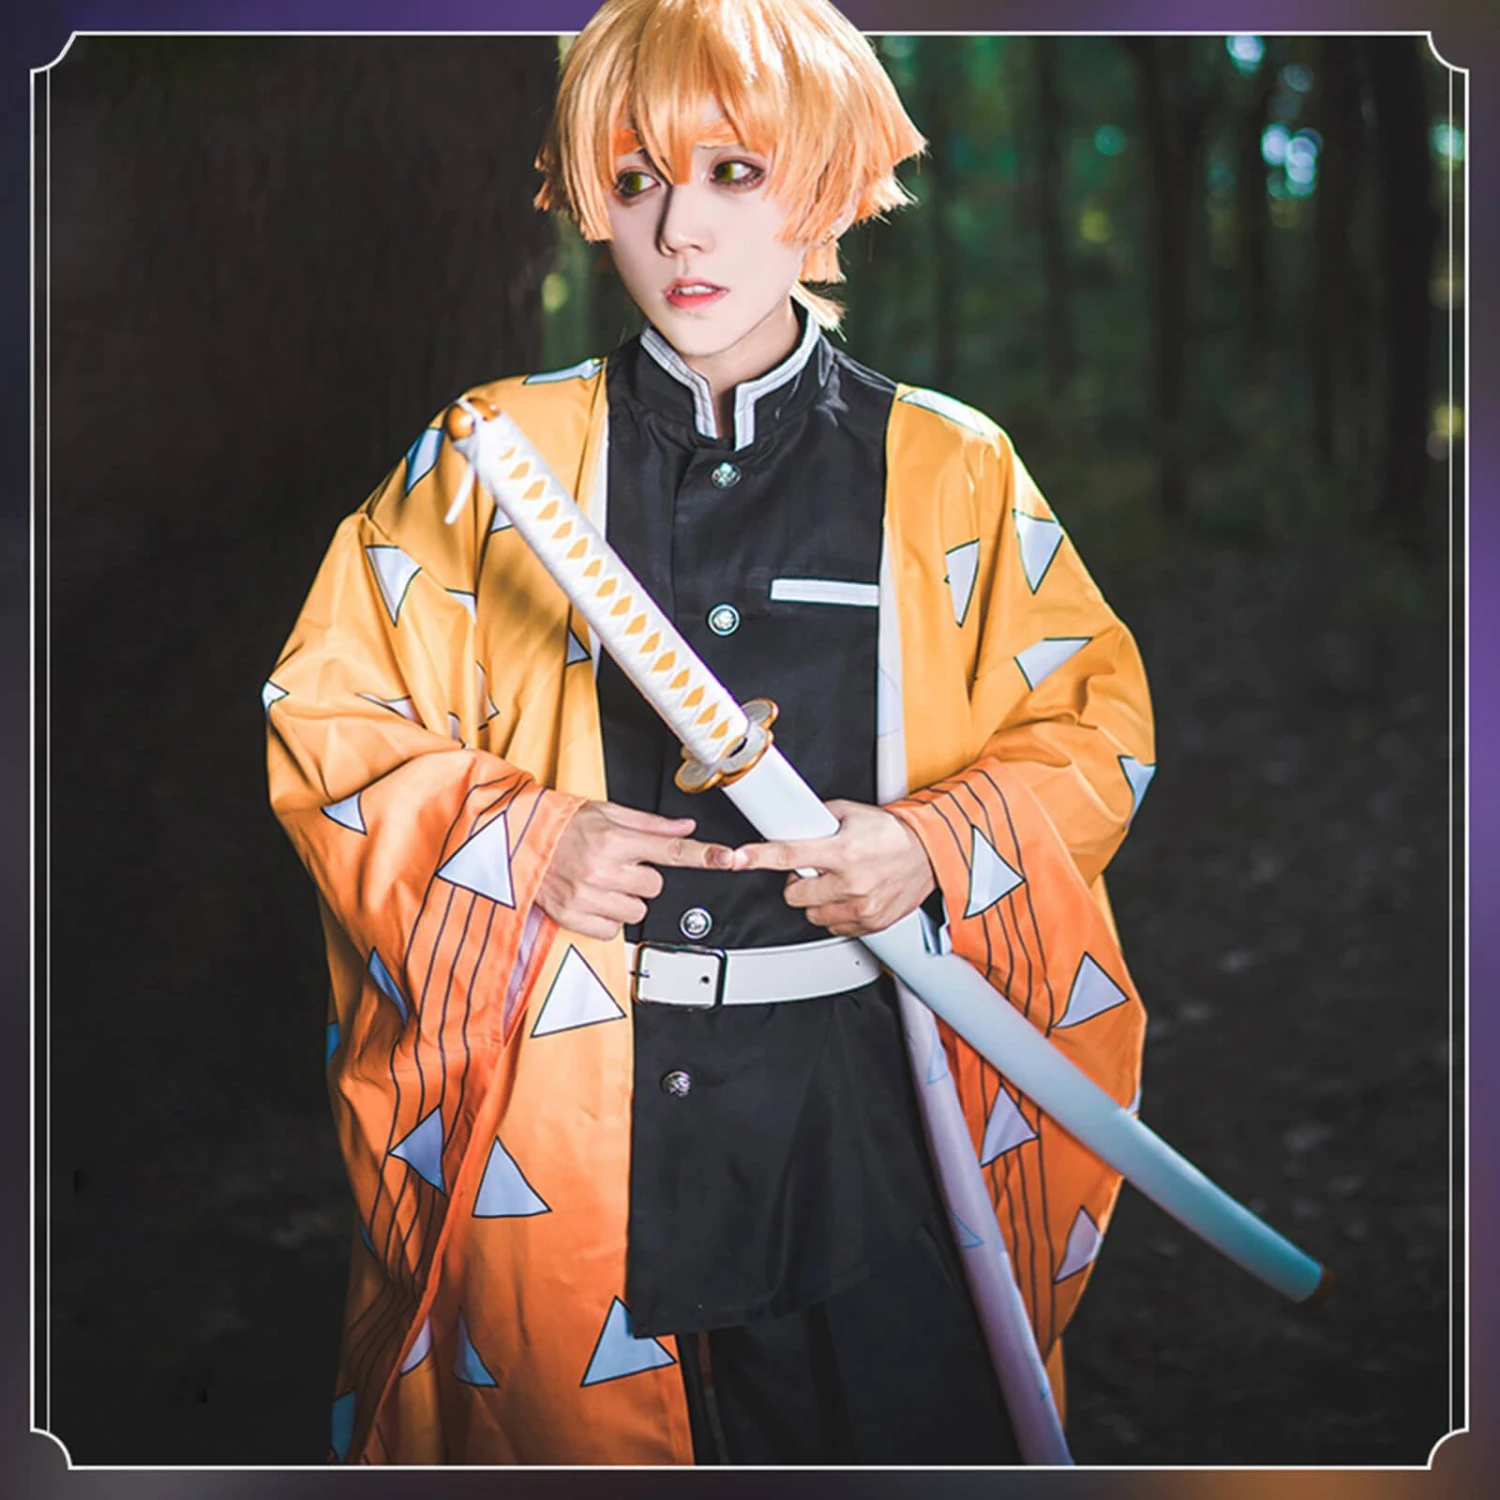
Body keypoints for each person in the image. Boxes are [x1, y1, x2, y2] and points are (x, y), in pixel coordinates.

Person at [266, 0, 1155, 1466]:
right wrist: (519, 841)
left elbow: (1091, 723)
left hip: (879, 1116)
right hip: (573, 1126)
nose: (682, 229)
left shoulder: (953, 465)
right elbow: (329, 714)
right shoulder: (489, 459)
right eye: (634, 181)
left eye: (736, 172)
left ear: (828, 176)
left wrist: (934, 844)